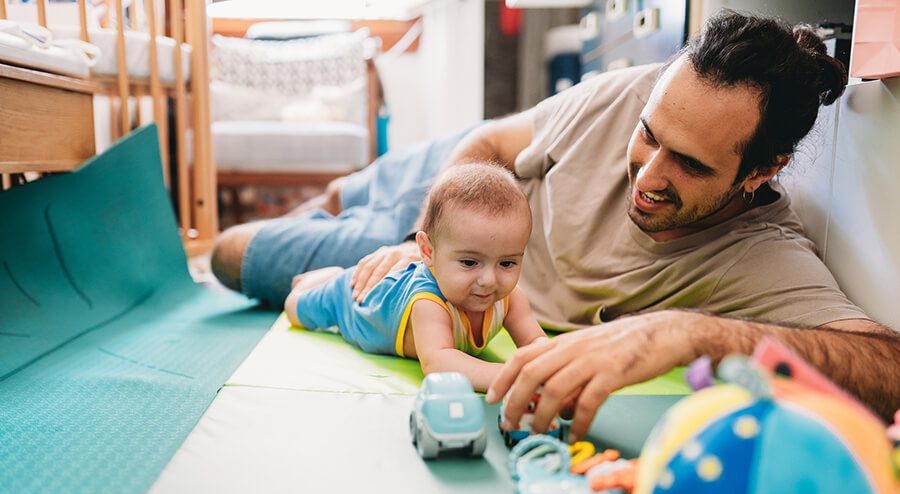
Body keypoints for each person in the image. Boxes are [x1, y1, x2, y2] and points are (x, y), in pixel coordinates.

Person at [212, 11, 900, 435]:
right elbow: (490, 147)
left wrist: (692, 331)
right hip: (444, 206)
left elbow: (888, 364)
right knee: (290, 225)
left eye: (687, 164)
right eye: (648, 134)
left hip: (474, 272)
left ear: (762, 170)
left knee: (236, 257)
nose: (647, 171)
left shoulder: (764, 257)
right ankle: (346, 196)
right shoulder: (625, 93)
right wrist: (417, 252)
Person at [283, 163, 546, 391]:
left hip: (390, 286)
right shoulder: (429, 302)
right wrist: (514, 376)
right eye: (469, 262)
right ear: (427, 251)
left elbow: (535, 342)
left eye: (507, 263)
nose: (489, 279)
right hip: (355, 298)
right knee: (295, 308)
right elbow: (439, 361)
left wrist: (551, 366)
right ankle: (323, 278)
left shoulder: (510, 297)